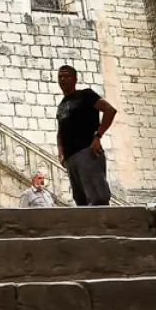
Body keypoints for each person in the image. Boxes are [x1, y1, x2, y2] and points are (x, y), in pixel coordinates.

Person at [55, 65, 117, 207]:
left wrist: (97, 137)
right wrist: (61, 152)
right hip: (71, 158)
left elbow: (109, 111)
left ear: (75, 79)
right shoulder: (62, 105)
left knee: (97, 199)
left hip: (87, 152)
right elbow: (60, 131)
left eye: (67, 76)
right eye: (60, 77)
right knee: (81, 201)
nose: (63, 79)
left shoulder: (86, 95)